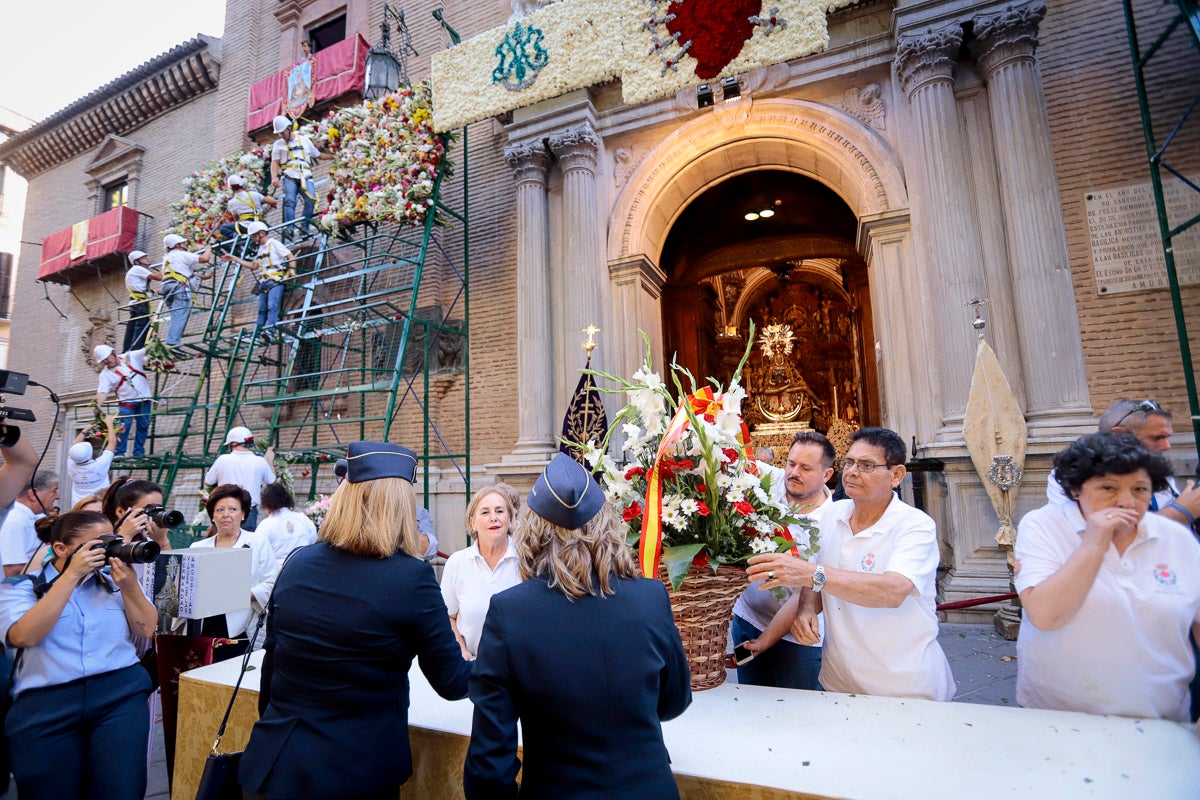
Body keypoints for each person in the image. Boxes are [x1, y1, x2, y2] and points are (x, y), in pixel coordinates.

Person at [240, 441, 470, 799]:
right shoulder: (411, 578)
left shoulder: (298, 562)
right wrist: (507, 651)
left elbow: (273, 664)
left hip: (277, 762)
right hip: (356, 772)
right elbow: (453, 682)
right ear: (399, 506)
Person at [464, 453, 691, 799]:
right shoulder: (650, 597)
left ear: (532, 532)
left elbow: (489, 761)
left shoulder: (510, 612)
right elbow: (672, 701)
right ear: (608, 525)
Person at [748, 427, 955, 701]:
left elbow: (892, 591)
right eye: (850, 462)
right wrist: (806, 610)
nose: (853, 471)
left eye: (867, 465)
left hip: (903, 686)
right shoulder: (831, 515)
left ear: (896, 475)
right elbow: (814, 584)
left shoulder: (915, 526)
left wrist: (811, 573)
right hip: (837, 682)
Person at [1016, 432, 1200, 720]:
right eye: (1108, 488)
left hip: (1163, 714)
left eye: (1140, 490)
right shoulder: (1043, 526)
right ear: (1076, 489)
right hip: (1060, 714)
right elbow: (1044, 615)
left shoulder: (1176, 537)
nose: (1127, 502)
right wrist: (1094, 544)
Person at [0, 510, 158, 799]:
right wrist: (71, 575)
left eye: (111, 542)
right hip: (47, 703)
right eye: (97, 545)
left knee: (121, 790)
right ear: (60, 549)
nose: (107, 551)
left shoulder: (113, 581)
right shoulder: (22, 587)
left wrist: (130, 587)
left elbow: (146, 628)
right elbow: (24, 635)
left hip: (119, 695)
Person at [732, 431, 836, 690]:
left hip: (797, 639)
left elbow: (804, 592)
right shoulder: (771, 480)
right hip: (746, 622)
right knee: (749, 698)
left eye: (806, 468)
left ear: (827, 475)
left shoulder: (832, 523)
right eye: (790, 463)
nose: (793, 473)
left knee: (798, 714)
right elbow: (730, 459)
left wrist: (765, 641)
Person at [1047, 399, 1200, 531]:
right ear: (1119, 434)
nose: (1167, 446)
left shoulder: (1157, 469)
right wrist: (1180, 512)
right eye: (1156, 438)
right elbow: (1092, 532)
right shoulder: (1072, 474)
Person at [440, 486, 521, 660]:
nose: (494, 518)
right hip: (473, 667)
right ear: (473, 522)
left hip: (518, 669)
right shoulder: (457, 563)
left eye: (500, 511)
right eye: (485, 512)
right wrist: (461, 650)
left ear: (510, 518)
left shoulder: (526, 562)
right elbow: (447, 616)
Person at [188, 484, 275, 642]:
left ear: (243, 514)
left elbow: (272, 583)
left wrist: (241, 595)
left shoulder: (257, 542)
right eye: (220, 510)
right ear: (212, 515)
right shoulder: (198, 548)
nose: (225, 515)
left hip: (243, 627)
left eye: (233, 509)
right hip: (203, 626)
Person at [219, 220, 295, 341]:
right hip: (264, 282)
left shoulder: (274, 243)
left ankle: (269, 331)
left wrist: (292, 270)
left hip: (275, 279)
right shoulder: (260, 249)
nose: (253, 239)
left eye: (254, 235)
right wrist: (234, 258)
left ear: (262, 233)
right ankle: (257, 335)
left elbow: (290, 256)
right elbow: (253, 266)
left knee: (272, 306)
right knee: (261, 310)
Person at [204, 426, 276, 530]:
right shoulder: (260, 461)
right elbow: (272, 481)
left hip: (225, 511)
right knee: (246, 544)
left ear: (233, 443)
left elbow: (208, 482)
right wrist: (269, 460)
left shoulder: (223, 460)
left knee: (224, 543)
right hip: (248, 511)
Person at [269, 114, 322, 241]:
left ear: (289, 128)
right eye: (279, 133)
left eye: (282, 132)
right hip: (289, 175)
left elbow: (318, 155)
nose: (281, 135)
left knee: (311, 200)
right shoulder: (278, 144)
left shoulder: (304, 140)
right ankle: (289, 229)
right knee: (290, 201)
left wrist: (333, 156)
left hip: (305, 175)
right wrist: (274, 177)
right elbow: (275, 162)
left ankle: (304, 228)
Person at [94, 344, 153, 456]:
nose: (106, 362)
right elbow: (102, 392)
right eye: (103, 360)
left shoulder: (131, 357)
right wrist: (97, 406)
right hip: (126, 402)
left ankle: (139, 452)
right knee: (123, 427)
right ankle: (120, 452)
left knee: (143, 426)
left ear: (113, 353)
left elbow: (146, 350)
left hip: (144, 400)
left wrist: (156, 342)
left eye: (107, 358)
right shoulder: (105, 374)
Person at [1, 470, 59, 577]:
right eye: (54, 491)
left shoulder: (30, 517)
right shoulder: (15, 520)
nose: (58, 496)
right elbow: (12, 570)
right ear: (33, 494)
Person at [159, 233, 212, 347]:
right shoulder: (182, 254)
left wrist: (205, 276)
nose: (185, 245)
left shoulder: (166, 259)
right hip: (179, 287)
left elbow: (185, 274)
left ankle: (173, 341)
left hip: (167, 287)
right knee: (179, 315)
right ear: (177, 245)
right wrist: (208, 249)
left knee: (176, 315)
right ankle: (172, 343)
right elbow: (205, 259)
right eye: (183, 243)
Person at [256, 482, 317, 566]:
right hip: (305, 567)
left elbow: (258, 551)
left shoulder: (266, 525)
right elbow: (313, 539)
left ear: (266, 503)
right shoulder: (303, 518)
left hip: (279, 572)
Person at [65, 414, 116, 506]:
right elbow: (112, 442)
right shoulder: (99, 465)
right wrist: (109, 424)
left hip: (78, 505)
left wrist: (85, 429)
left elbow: (74, 447)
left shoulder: (72, 466)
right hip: (99, 505)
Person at [217, 173, 277, 242]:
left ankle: (237, 237)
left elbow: (236, 219)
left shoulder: (231, 202)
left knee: (223, 228)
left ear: (231, 189)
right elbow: (273, 202)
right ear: (242, 184)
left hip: (245, 227)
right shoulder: (254, 194)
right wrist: (266, 195)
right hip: (261, 224)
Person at [122, 250, 161, 352]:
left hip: (135, 302)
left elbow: (142, 288)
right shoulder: (138, 269)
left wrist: (155, 292)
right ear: (136, 261)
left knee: (132, 326)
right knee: (143, 325)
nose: (146, 260)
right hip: (141, 303)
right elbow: (158, 277)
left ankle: (127, 350)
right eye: (143, 258)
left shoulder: (133, 271)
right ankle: (137, 349)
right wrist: (166, 267)